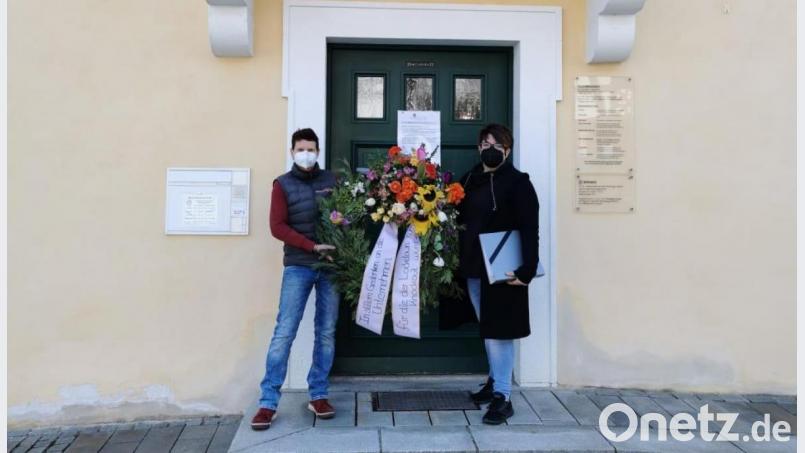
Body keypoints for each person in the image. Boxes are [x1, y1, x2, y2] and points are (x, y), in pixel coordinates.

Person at [439, 123, 539, 425]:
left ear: (507, 149)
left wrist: (528, 270)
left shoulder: (519, 183)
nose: (490, 148)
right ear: (479, 148)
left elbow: (530, 228)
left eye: (497, 144)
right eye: (485, 144)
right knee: (488, 326)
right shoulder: (469, 179)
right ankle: (495, 382)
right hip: (472, 266)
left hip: (503, 270)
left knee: (499, 331)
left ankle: (503, 396)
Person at [251, 128, 340, 430]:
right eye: (301, 149)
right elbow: (277, 226)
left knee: (326, 332)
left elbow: (345, 217)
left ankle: (318, 394)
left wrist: (341, 238)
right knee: (284, 332)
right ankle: (267, 402)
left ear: (318, 151)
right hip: (299, 265)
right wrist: (312, 246)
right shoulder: (282, 185)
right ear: (292, 152)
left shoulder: (332, 181)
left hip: (330, 267)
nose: (307, 154)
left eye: (311, 149)